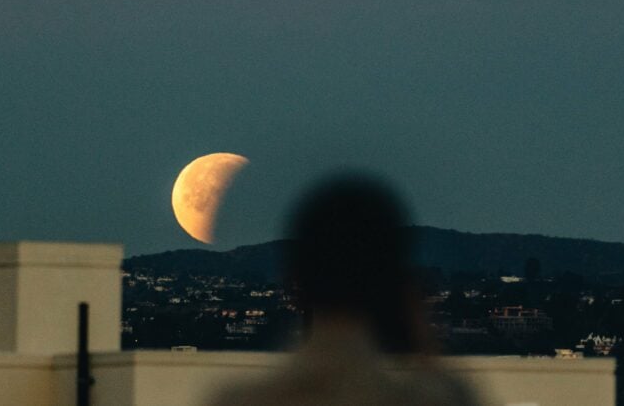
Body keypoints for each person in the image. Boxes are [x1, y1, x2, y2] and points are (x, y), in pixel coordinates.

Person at [208, 172, 486, 406]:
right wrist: (424, 344)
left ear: (294, 282)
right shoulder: (435, 398)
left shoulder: (236, 400)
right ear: (398, 289)